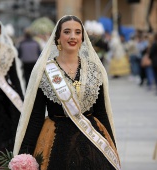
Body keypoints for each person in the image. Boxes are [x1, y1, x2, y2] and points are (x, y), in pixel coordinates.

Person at [13, 15, 121, 170]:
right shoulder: (44, 72)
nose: (73, 36)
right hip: (56, 141)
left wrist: (113, 148)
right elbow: (36, 116)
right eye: (67, 32)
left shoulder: (94, 70)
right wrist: (25, 153)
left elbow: (102, 112)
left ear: (83, 38)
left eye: (78, 32)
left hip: (92, 143)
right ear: (58, 37)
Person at [0, 17, 23, 169]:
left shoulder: (9, 51)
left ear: (0, 32)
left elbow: (14, 77)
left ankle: (6, 163)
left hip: (6, 100)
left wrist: (23, 100)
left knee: (8, 132)